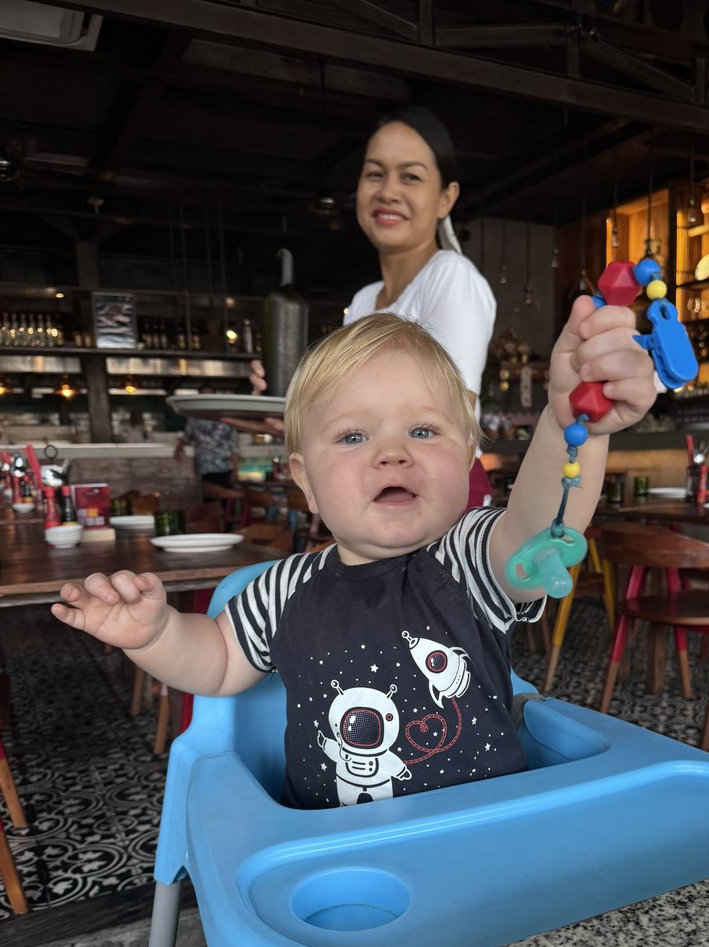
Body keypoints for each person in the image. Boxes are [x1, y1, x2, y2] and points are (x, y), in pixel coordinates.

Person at [52, 301, 654, 809]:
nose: (392, 454)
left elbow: (535, 533)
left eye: (423, 431)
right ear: (305, 479)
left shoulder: (468, 561)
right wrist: (153, 636)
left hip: (483, 838)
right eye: (352, 436)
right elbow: (214, 664)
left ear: (469, 457)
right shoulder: (281, 591)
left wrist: (573, 425)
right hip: (333, 855)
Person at [245, 106, 498, 509]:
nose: (388, 191)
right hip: (377, 489)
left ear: (446, 198)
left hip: (436, 492)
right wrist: (291, 409)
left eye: (410, 177)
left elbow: (453, 414)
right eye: (375, 174)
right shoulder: (365, 299)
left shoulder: (450, 275)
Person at [175, 416, 238, 491]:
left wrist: (235, 470)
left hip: (217, 466)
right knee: (216, 494)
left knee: (214, 494)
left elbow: (234, 447)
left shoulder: (196, 418)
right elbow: (234, 447)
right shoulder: (195, 419)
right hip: (211, 466)